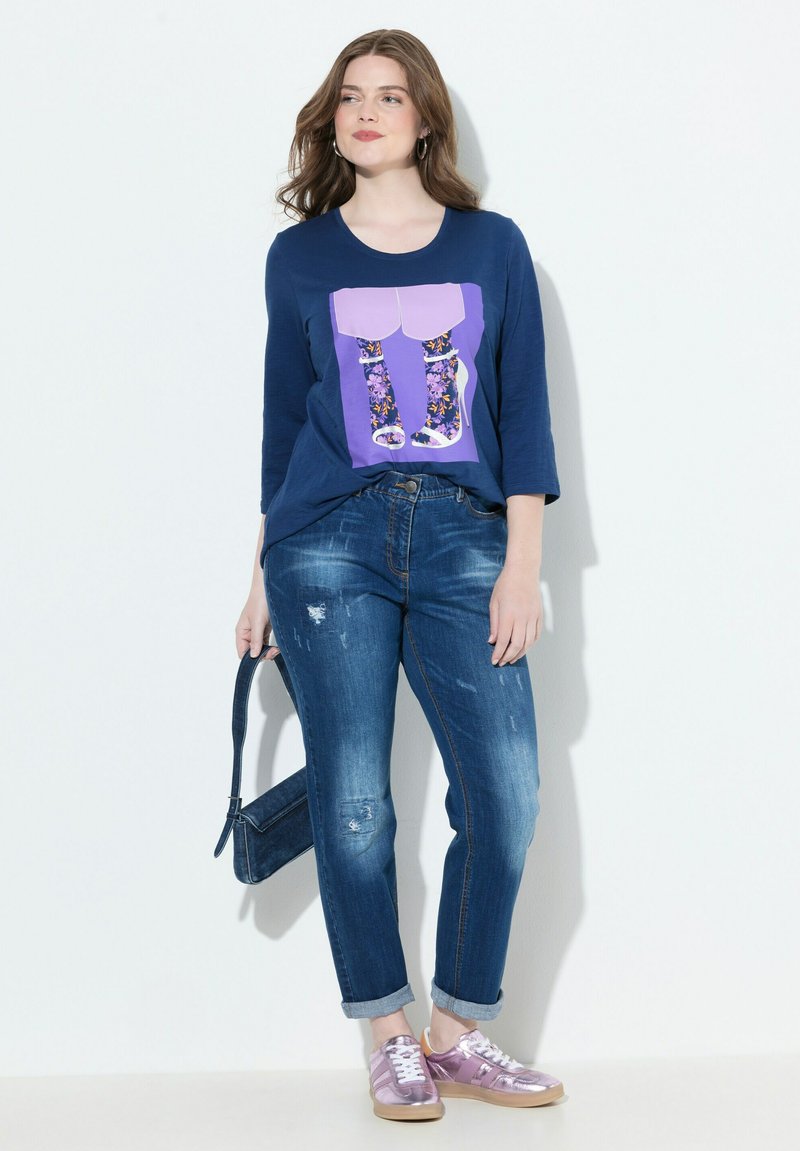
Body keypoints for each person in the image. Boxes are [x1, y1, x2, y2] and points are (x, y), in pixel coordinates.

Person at [235, 28, 565, 1122]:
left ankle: (458, 1032)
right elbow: (284, 428)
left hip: (467, 538)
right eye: (349, 97)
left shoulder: (491, 245)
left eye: (389, 95)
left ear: (425, 117)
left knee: (506, 795)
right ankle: (387, 1031)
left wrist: (522, 563)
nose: (366, 111)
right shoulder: (299, 258)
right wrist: (259, 574)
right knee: (355, 802)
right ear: (331, 122)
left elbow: (521, 407)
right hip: (327, 540)